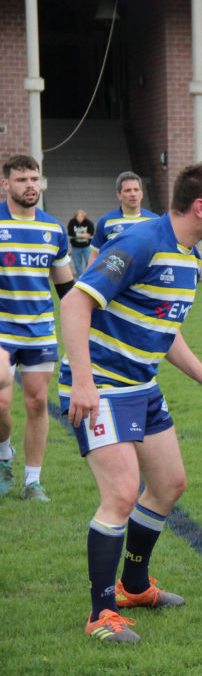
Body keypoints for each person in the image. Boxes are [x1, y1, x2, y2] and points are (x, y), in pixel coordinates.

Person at [60, 162, 202, 644]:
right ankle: (101, 614)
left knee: (168, 484)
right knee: (122, 493)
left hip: (140, 386)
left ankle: (134, 586)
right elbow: (75, 303)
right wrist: (83, 380)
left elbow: (164, 326)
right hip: (102, 386)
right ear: (201, 206)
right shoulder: (142, 242)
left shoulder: (188, 256)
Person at [0, 155, 75, 502]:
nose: (30, 185)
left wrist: (83, 326)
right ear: (6, 184)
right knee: (1, 400)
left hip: (40, 330)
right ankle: (4, 456)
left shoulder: (54, 230)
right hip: (2, 328)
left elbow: (66, 289)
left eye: (34, 179)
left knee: (37, 403)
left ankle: (32, 482)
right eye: (22, 180)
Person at [89, 172, 158, 266]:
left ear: (141, 193)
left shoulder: (155, 221)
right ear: (119, 195)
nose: (133, 194)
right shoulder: (106, 222)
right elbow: (94, 256)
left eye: (136, 190)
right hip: (114, 274)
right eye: (128, 190)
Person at [67, 209, 95, 277]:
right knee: (77, 264)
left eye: (81, 216)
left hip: (86, 246)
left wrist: (77, 235)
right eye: (78, 216)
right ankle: (80, 277)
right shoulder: (72, 222)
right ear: (75, 217)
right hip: (75, 247)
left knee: (89, 262)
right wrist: (82, 235)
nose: (80, 218)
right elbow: (70, 233)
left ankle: (88, 277)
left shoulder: (88, 223)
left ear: (84, 217)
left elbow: (91, 233)